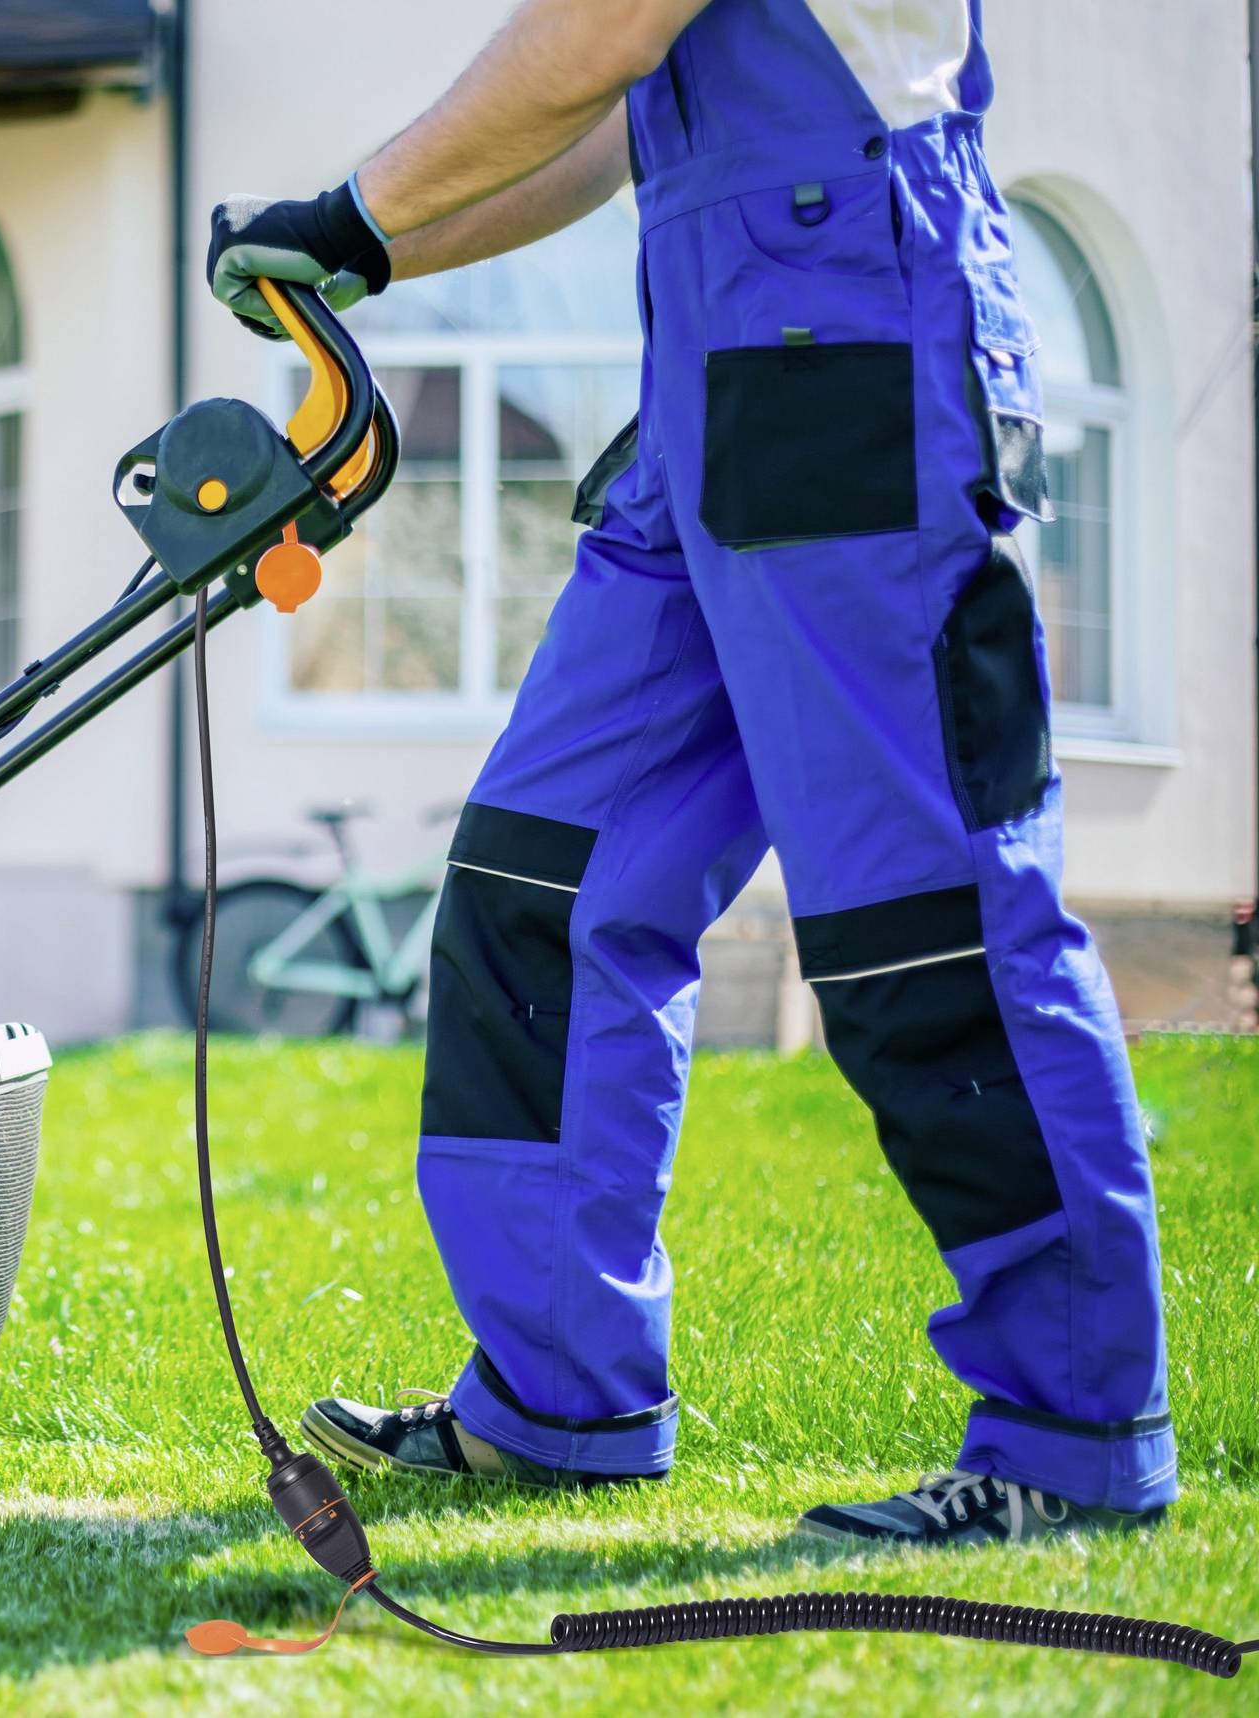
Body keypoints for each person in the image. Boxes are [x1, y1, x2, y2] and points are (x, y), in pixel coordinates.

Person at [208, 0, 1174, 1546]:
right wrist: (360, 254)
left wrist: (354, 208)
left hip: (859, 340)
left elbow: (600, 28)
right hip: (709, 377)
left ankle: (1074, 1432)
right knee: (545, 879)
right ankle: (557, 1397)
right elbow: (601, 118)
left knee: (928, 922)